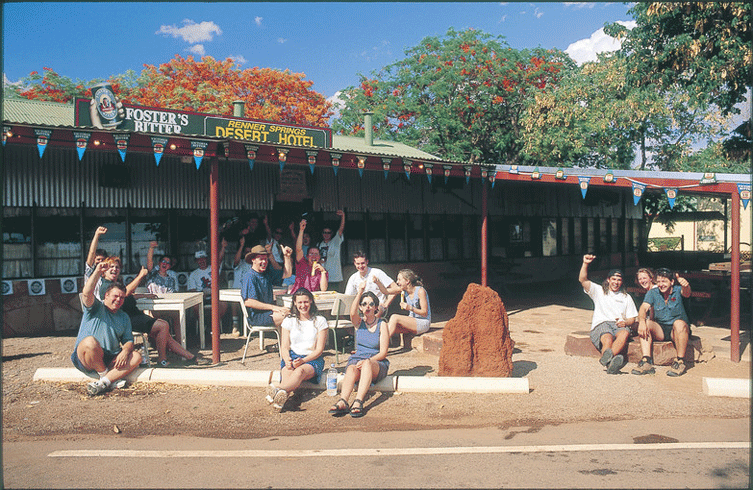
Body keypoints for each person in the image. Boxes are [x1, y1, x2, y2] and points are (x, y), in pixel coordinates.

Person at [96, 256, 200, 367]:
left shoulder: (115, 282)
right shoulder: (107, 286)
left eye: (117, 267)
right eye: (111, 267)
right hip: (126, 320)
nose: (115, 269)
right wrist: (140, 276)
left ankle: (189, 357)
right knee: (163, 325)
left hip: (134, 316)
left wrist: (144, 295)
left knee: (164, 333)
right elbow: (126, 293)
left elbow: (128, 296)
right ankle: (162, 359)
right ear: (104, 271)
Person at [72, 261, 141, 396]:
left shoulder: (124, 316)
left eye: (122, 298)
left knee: (136, 356)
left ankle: (103, 382)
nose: (118, 300)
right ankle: (106, 376)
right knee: (90, 342)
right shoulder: (95, 308)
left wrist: (125, 351)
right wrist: (97, 272)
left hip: (110, 357)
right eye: (115, 296)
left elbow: (128, 340)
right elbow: (86, 293)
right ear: (106, 296)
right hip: (86, 357)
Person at [328, 282, 390, 418]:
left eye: (371, 304)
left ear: (376, 308)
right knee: (350, 368)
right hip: (358, 359)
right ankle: (343, 401)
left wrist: (368, 361)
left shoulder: (382, 324)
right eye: (364, 304)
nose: (367, 307)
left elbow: (383, 352)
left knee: (366, 364)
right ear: (360, 308)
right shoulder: (359, 323)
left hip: (376, 362)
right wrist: (360, 292)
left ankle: (358, 401)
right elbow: (351, 312)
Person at [266, 288, 328, 412]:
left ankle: (277, 390)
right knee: (287, 372)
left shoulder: (320, 321)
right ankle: (280, 400)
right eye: (299, 302)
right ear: (294, 303)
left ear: (311, 301)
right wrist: (286, 358)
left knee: (299, 372)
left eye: (305, 302)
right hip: (292, 356)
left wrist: (303, 360)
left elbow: (319, 349)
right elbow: (284, 346)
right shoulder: (289, 321)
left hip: (311, 359)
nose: (303, 305)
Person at [579, 254, 638, 374]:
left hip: (619, 324)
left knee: (624, 334)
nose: (616, 282)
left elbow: (632, 318)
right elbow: (583, 280)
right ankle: (610, 361)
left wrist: (626, 322)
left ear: (622, 282)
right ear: (608, 280)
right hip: (602, 323)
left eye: (619, 280)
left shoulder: (626, 297)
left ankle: (607, 361)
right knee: (607, 338)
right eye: (614, 279)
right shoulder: (599, 291)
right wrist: (585, 263)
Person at [633, 268, 693, 377]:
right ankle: (646, 361)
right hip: (661, 329)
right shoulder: (653, 293)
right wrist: (641, 322)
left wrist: (686, 285)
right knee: (646, 323)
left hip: (677, 331)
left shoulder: (678, 290)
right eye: (659, 282)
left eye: (664, 281)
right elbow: (643, 308)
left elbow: (686, 293)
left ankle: (680, 361)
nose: (661, 285)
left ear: (672, 282)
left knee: (679, 323)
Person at [240, 244, 293, 331]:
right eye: (261, 259)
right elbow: (249, 302)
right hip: (256, 317)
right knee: (286, 316)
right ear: (253, 260)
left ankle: (286, 343)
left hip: (269, 312)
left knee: (292, 312)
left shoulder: (266, 274)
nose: (264, 262)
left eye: (265, 259)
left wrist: (286, 256)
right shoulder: (249, 276)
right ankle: (284, 344)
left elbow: (287, 274)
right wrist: (274, 307)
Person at [374, 269, 431, 345]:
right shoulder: (403, 290)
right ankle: (370, 345)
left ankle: (378, 346)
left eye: (399, 280)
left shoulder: (420, 291)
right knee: (385, 327)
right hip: (412, 321)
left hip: (423, 323)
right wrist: (377, 282)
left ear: (407, 281)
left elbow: (424, 313)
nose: (397, 282)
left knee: (395, 317)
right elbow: (385, 291)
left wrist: (410, 308)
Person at [344, 251, 398, 317]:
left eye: (363, 263)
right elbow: (348, 297)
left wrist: (386, 304)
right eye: (358, 264)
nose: (360, 266)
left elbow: (395, 288)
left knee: (371, 319)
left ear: (367, 262)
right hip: (361, 308)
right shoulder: (353, 278)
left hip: (377, 306)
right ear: (354, 263)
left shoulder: (377, 273)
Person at [188, 242, 228, 330]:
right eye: (199, 260)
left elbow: (219, 260)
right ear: (196, 261)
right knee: (195, 306)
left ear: (206, 259)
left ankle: (215, 325)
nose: (201, 261)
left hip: (214, 297)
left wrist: (223, 248)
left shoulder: (212, 268)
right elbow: (192, 291)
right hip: (201, 298)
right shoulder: (193, 274)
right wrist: (201, 294)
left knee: (224, 303)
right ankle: (204, 326)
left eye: (203, 259)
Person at [290, 218, 328, 293]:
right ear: (307, 256)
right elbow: (298, 249)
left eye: (316, 254)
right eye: (311, 254)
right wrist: (301, 230)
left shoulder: (321, 270)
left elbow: (323, 289)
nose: (314, 256)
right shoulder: (302, 263)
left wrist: (323, 272)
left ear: (319, 257)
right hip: (298, 295)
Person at [318, 209, 346, 291]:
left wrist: (343, 216)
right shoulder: (319, 244)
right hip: (322, 276)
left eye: (328, 233)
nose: (326, 235)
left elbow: (341, 229)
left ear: (332, 234)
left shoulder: (335, 242)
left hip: (334, 276)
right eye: (324, 232)